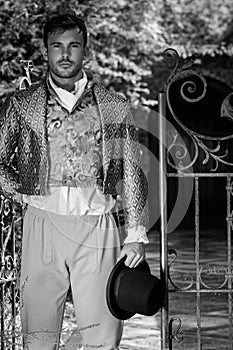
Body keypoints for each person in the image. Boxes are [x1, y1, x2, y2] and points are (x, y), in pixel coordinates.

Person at [0, 12, 149, 350]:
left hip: (97, 227)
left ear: (85, 51)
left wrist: (137, 234)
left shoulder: (114, 106)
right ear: (45, 51)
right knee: (38, 336)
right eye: (57, 46)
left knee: (103, 335)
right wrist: (22, 194)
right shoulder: (22, 105)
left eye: (73, 46)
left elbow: (131, 169)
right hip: (42, 225)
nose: (65, 54)